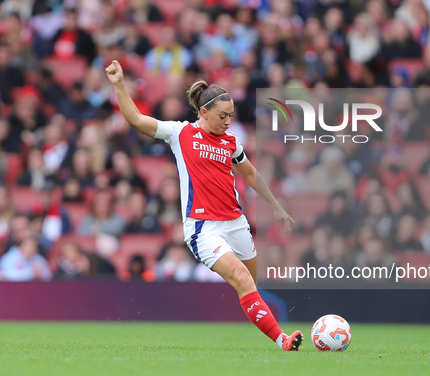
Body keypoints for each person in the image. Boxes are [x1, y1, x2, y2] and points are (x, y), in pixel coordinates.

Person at [105, 60, 303, 351]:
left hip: (236, 223)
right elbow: (136, 119)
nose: (228, 121)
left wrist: (274, 205)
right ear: (204, 112)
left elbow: (248, 173)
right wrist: (120, 85)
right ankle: (282, 340)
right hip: (203, 227)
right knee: (242, 280)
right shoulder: (180, 133)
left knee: (251, 282)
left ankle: (257, 321)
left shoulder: (231, 142)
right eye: (223, 116)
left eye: (232, 116)